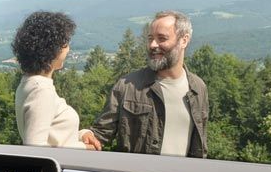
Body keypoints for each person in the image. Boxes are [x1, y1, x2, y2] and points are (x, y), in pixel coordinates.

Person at [83, 10, 208, 157]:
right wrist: (83, 135)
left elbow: (200, 146)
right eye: (150, 39)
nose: (153, 45)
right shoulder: (127, 86)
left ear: (184, 40)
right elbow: (100, 135)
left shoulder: (198, 88)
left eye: (162, 38)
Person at [12, 11, 101, 150]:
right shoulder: (41, 90)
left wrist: (81, 134)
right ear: (51, 50)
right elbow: (35, 149)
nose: (68, 49)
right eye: (65, 44)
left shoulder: (29, 82)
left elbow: (51, 136)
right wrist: (84, 148)